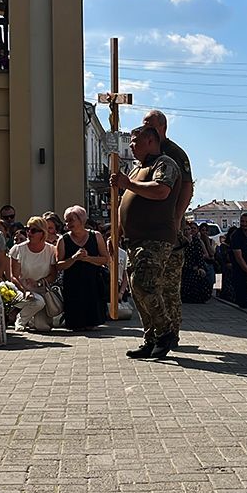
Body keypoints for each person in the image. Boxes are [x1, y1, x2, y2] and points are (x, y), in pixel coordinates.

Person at [111, 126, 181, 358]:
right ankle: (151, 338)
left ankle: (165, 332)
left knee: (144, 283)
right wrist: (117, 233)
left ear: (151, 141)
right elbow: (125, 204)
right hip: (135, 239)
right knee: (136, 288)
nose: (131, 145)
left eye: (135, 141)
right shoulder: (136, 170)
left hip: (156, 237)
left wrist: (127, 184)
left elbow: (161, 191)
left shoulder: (164, 164)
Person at [142, 109, 194, 346]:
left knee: (170, 285)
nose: (145, 127)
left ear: (162, 127)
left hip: (170, 229)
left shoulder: (173, 153)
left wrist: (177, 219)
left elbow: (186, 188)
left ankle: (171, 333)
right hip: (150, 230)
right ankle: (154, 333)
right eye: (143, 123)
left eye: (149, 123)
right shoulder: (145, 153)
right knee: (149, 283)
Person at [54, 205, 109, 330]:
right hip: (73, 285)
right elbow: (58, 265)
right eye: (66, 220)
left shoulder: (96, 236)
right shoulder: (63, 240)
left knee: (92, 324)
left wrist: (88, 258)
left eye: (71, 220)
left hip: (93, 283)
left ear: (82, 220)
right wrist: (74, 258)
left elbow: (105, 259)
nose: (68, 223)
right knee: (76, 324)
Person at [9, 216, 58, 331]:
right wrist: (25, 291)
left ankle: (30, 319)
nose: (29, 233)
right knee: (38, 302)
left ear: (43, 233)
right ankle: (20, 320)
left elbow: (53, 275)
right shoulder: (18, 249)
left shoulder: (51, 250)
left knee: (43, 328)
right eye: (27, 229)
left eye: (34, 230)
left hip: (41, 290)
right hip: (21, 290)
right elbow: (13, 276)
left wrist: (39, 283)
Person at [180, 220, 212, 304]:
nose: (187, 231)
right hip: (183, 267)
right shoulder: (180, 241)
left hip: (194, 266)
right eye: (185, 229)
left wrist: (201, 267)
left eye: (189, 229)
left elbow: (199, 255)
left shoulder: (196, 241)